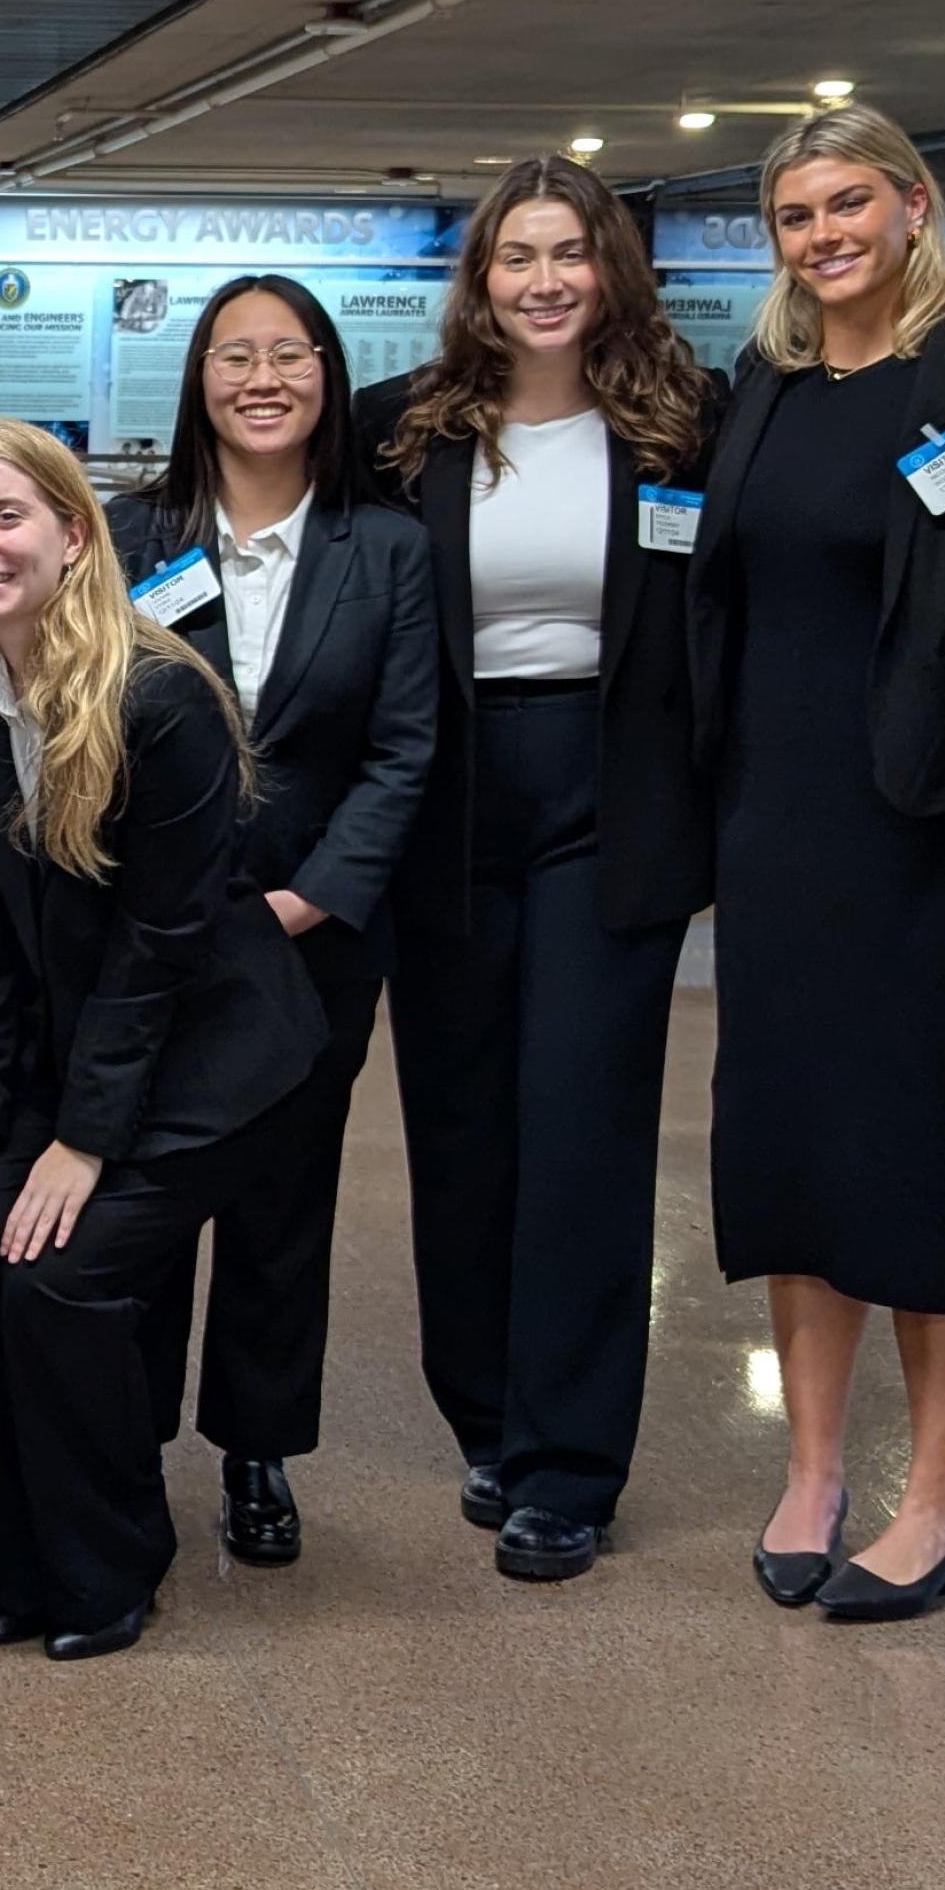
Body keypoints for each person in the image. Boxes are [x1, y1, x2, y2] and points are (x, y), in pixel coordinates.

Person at [357, 157, 719, 1581]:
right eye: (519, 257)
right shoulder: (409, 431)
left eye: (572, 253)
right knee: (459, 1124)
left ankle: (571, 1467)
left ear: (611, 271)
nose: (546, 280)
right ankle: (491, 1419)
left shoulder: (682, 427)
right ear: (482, 280)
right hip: (444, 800)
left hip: (606, 798)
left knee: (579, 1130)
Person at [0, 419, 325, 1659]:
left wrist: (80, 1146)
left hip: (213, 1063)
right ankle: (22, 1565)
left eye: (3, 517)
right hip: (72, 1051)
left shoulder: (160, 699)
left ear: (72, 534)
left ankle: (108, 1568)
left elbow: (158, 950)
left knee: (59, 1276)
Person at [689, 105, 945, 1620]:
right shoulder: (770, 383)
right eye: (795, 216)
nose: (822, 237)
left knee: (921, 1159)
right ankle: (811, 1470)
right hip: (780, 827)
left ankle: (939, 1495)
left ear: (914, 208)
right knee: (794, 1146)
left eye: (848, 204)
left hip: (934, 834)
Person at [112, 276, 437, 1565]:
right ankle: (125, 1443)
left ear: (326, 372)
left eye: (286, 354)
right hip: (154, 923)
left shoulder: (388, 546)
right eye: (232, 354)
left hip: (315, 928)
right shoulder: (133, 535)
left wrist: (312, 896)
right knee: (135, 1188)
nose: (261, 377)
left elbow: (404, 751)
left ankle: (256, 1448)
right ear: (196, 377)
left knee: (279, 1192)